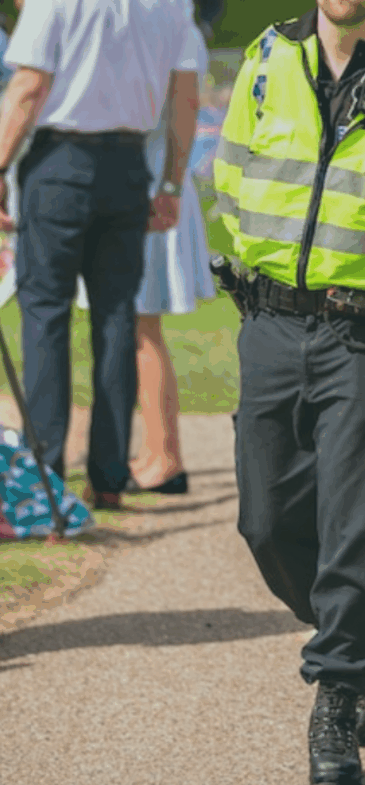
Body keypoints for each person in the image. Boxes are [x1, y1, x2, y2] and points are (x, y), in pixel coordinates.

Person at [213, 0, 365, 785]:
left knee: (356, 520)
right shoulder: (270, 57)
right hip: (269, 322)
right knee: (265, 521)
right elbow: (230, 176)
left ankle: (341, 691)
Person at [0, 0, 196, 511]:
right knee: (116, 321)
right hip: (129, 164)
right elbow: (184, 96)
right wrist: (172, 180)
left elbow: (29, 87)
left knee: (45, 317)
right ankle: (108, 477)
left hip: (60, 162)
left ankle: (45, 476)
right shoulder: (169, 5)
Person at [74, 18, 215, 496]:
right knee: (135, 324)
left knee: (139, 326)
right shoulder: (168, 25)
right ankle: (155, 448)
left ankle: (165, 457)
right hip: (150, 179)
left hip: (151, 184)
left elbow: (181, 107)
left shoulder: (169, 28)